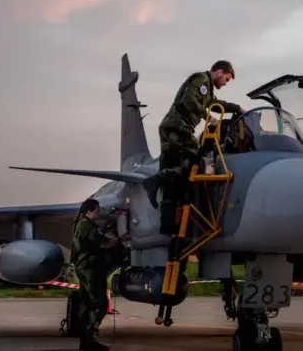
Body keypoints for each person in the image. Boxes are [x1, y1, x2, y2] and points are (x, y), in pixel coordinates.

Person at [144, 60, 245, 235]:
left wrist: (237, 108)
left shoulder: (208, 89)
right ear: (219, 72)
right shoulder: (201, 80)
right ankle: (154, 180)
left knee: (173, 178)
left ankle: (167, 225)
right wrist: (208, 118)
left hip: (174, 128)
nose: (225, 83)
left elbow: (217, 104)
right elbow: (190, 100)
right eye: (226, 80)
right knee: (194, 162)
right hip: (177, 128)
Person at [71, 199, 124, 351]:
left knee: (86, 304)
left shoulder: (80, 224)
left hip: (85, 268)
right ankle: (90, 339)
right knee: (99, 304)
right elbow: (102, 244)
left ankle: (86, 341)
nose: (98, 214)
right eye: (97, 211)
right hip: (91, 269)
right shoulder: (87, 225)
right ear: (90, 211)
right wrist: (120, 240)